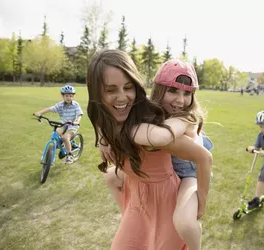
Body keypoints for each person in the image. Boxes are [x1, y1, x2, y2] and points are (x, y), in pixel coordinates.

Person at [86, 49, 212, 250]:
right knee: (111, 177)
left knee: (185, 223)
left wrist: (202, 202)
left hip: (181, 178)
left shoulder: (166, 123)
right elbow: (102, 116)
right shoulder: (136, 115)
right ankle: (129, 216)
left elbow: (199, 156)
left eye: (128, 87)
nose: (180, 100)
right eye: (111, 90)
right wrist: (103, 137)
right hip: (141, 195)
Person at [34, 85, 83, 164]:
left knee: (66, 137)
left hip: (72, 125)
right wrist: (40, 113)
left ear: (73, 96)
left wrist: (76, 121)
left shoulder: (75, 105)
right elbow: (50, 109)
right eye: (66, 96)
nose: (69, 98)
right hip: (63, 124)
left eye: (71, 96)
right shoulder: (60, 105)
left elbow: (79, 114)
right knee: (56, 132)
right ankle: (63, 146)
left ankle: (69, 155)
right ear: (62, 96)